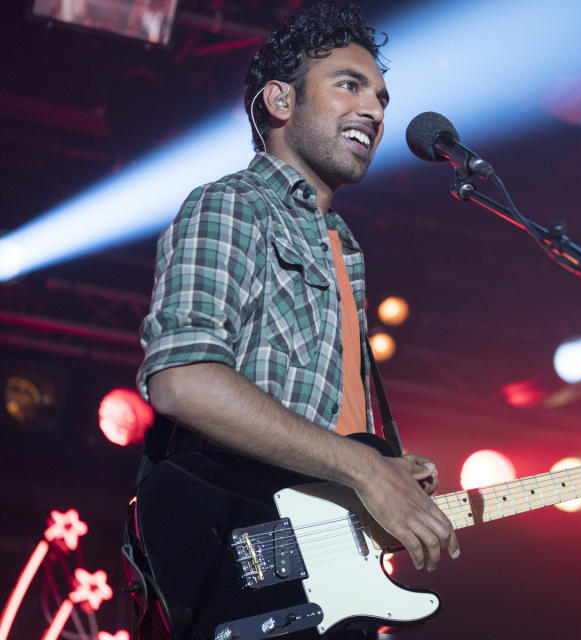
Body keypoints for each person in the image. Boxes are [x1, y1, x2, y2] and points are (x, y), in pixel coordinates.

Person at [135, 1, 459, 627]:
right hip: (235, 568)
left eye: (383, 99)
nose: (375, 110)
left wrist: (381, 470)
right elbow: (182, 380)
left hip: (309, 586)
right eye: (350, 86)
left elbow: (325, 435)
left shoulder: (344, 246)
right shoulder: (233, 205)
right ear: (281, 102)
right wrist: (362, 467)